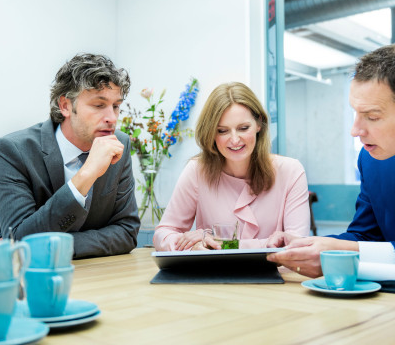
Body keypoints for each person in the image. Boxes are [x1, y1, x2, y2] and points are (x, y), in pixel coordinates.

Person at [266, 44, 395, 278]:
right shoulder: (371, 159)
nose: (355, 130)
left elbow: (358, 248)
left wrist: (346, 255)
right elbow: (365, 236)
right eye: (355, 113)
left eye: (372, 117)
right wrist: (308, 245)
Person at [0, 53, 140, 258]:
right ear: (65, 106)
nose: (111, 118)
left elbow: (127, 232)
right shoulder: (12, 151)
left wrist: (57, 246)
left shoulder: (119, 143)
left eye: (116, 106)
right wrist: (87, 173)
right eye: (99, 105)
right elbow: (21, 241)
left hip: (100, 277)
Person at [153, 82, 310, 251]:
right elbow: (163, 234)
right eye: (222, 131)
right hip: (215, 276)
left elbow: (297, 246)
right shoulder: (197, 170)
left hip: (276, 275)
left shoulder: (291, 171)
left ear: (259, 124)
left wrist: (218, 244)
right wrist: (193, 246)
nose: (234, 140)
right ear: (211, 132)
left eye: (243, 128)